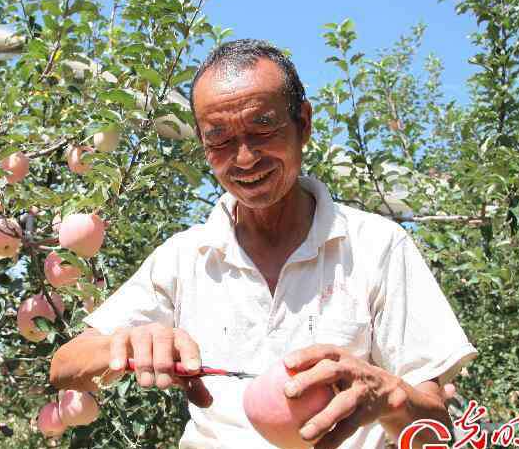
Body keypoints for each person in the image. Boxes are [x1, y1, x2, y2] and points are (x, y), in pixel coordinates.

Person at [50, 39, 477, 448]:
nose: (245, 158)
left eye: (262, 127)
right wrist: (121, 345)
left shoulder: (376, 247)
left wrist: (388, 394)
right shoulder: (185, 257)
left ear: (303, 124)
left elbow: (433, 425)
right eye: (219, 138)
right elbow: (65, 366)